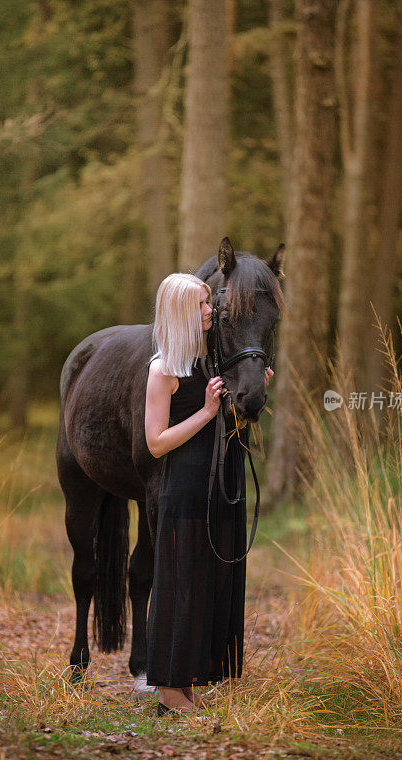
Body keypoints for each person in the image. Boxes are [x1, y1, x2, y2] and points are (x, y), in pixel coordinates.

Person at [144, 272, 273, 715]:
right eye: (202, 304)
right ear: (181, 311)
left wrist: (249, 396)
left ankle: (190, 682)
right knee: (179, 586)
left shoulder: (210, 365)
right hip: (183, 492)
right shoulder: (163, 371)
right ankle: (168, 692)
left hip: (218, 489)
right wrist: (205, 411)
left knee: (206, 587)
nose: (210, 311)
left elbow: (227, 428)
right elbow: (157, 442)